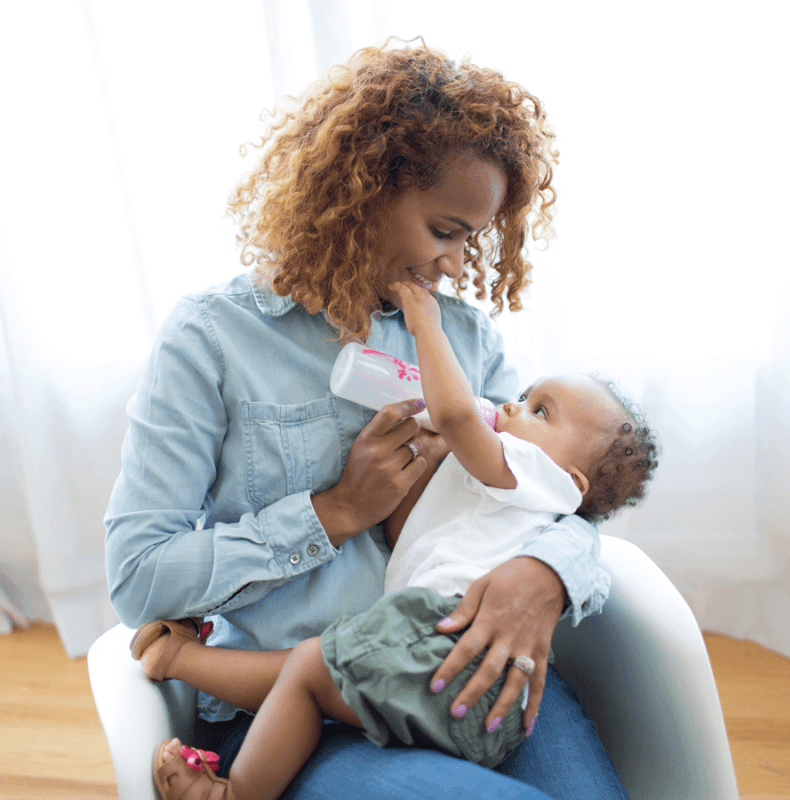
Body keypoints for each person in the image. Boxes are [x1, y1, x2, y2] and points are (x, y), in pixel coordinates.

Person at [106, 40, 631, 799]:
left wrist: (545, 573)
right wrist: (334, 512)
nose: (457, 266)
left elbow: (556, 490)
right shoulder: (212, 341)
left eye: (471, 240)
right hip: (303, 708)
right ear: (363, 194)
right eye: (445, 231)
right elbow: (139, 577)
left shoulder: (465, 341)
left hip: (465, 675)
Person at [139, 278, 658, 800]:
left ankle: (229, 784)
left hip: (449, 647)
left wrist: (425, 327)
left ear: (572, 483)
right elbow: (401, 539)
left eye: (539, 411)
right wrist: (353, 501)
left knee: (312, 667)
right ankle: (185, 671)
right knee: (314, 668)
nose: (512, 407)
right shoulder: (212, 330)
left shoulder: (519, 443)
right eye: (526, 398)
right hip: (456, 681)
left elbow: (458, 415)